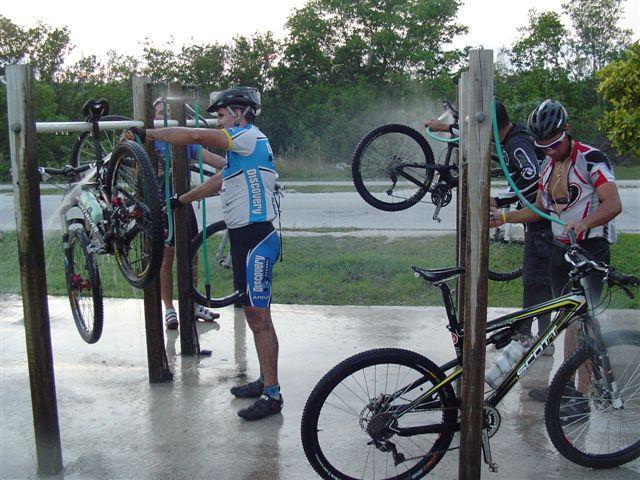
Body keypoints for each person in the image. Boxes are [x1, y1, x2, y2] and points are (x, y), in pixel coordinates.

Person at [132, 87, 282, 421]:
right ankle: (265, 381)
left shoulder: (247, 137)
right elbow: (219, 180)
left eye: (221, 114)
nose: (218, 121)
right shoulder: (241, 151)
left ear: (239, 113)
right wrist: (181, 200)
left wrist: (148, 131)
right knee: (256, 317)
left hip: (257, 238)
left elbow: (193, 135)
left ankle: (272, 394)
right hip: (245, 239)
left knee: (259, 318)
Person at [490, 99, 622, 403]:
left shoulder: (591, 159)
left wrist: (586, 222)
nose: (549, 150)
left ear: (568, 131)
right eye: (543, 146)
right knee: (568, 319)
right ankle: (567, 387)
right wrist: (506, 216)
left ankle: (583, 392)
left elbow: (613, 203)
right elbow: (539, 208)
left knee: (585, 322)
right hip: (561, 249)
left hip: (590, 249)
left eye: (554, 143)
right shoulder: (548, 164)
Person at [426, 101, 553, 346]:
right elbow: (519, 177)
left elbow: (532, 179)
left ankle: (531, 337)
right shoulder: (511, 140)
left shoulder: (517, 145)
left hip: (542, 221)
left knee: (535, 280)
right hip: (536, 218)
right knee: (538, 281)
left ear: (492, 126)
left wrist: (500, 200)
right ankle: (538, 336)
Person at [148, 98, 221, 330]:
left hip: (182, 202)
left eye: (169, 113)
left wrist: (237, 165)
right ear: (153, 118)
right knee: (166, 256)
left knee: (193, 251)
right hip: (160, 204)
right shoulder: (151, 140)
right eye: (160, 113)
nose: (165, 117)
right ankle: (169, 308)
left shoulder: (184, 142)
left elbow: (210, 157)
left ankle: (193, 303)